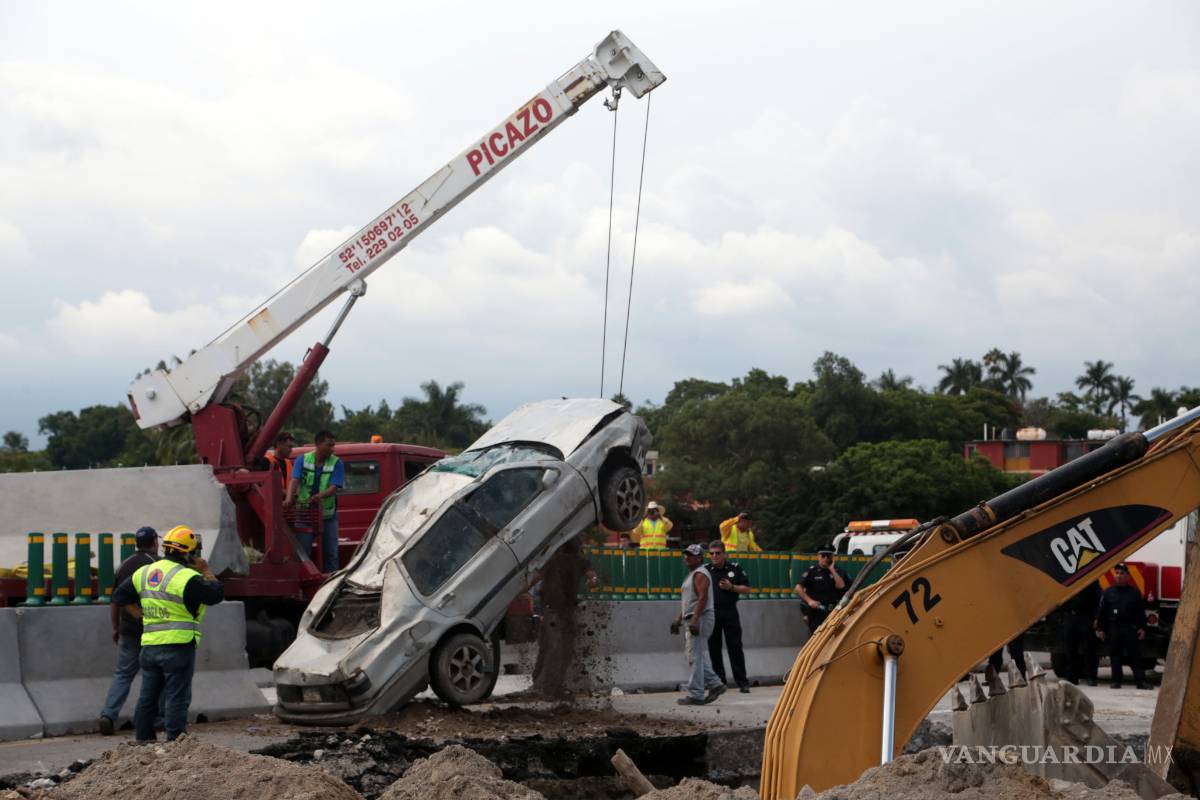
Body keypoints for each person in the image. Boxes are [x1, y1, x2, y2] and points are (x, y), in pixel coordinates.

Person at [111, 525, 224, 741]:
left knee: (147, 698)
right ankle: (175, 743)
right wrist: (207, 570)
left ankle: (144, 742)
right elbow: (216, 595)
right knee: (176, 697)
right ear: (188, 553)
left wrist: (140, 615)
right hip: (178, 646)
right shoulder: (186, 577)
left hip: (150, 646)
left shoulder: (145, 572)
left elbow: (119, 596)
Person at [98, 526, 163, 735]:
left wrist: (115, 627)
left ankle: (108, 714)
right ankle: (157, 718)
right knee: (155, 673)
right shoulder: (157, 564)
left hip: (128, 629)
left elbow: (115, 600)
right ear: (155, 542)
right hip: (152, 630)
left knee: (123, 674)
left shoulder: (123, 565)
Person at [530, 537, 599, 697]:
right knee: (562, 649)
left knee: (550, 647)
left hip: (553, 610)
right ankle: (551, 687)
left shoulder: (553, 561)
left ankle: (546, 686)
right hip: (564, 610)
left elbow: (534, 579)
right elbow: (593, 578)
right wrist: (593, 582)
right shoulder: (579, 562)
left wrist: (520, 592)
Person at [671, 544, 725, 705]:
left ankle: (696, 694)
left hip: (700, 618)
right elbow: (691, 602)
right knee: (695, 655)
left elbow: (703, 599)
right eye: (686, 554)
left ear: (700, 558)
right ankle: (715, 685)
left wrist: (694, 620)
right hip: (694, 617)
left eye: (691, 555)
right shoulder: (693, 574)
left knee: (694, 656)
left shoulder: (700, 574)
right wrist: (678, 619)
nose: (687, 557)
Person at [286, 430, 345, 571]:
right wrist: (289, 498)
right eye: (328, 446)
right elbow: (294, 480)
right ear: (318, 444)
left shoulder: (337, 463)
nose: (332, 449)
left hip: (327, 516)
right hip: (305, 514)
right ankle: (304, 588)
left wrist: (320, 496)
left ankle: (330, 586)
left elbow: (334, 487)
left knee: (331, 554)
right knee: (303, 554)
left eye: (333, 446)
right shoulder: (303, 460)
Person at [706, 540, 753, 693]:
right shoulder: (706, 570)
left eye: (717, 553)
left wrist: (731, 587)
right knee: (714, 648)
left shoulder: (734, 568)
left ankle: (742, 681)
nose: (714, 556)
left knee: (735, 647)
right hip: (712, 613)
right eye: (711, 553)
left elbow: (747, 589)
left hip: (730, 611)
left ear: (724, 554)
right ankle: (720, 682)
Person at [1096, 564, 1149, 689]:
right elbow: (1102, 612)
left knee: (1134, 655)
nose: (1119, 576)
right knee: (1115, 655)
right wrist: (1100, 629)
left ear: (1127, 576)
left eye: (1122, 573)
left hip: (1129, 627)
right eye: (1117, 573)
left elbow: (1140, 613)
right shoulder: (1108, 592)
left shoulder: (1134, 593)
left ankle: (1141, 682)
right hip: (1114, 627)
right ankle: (1116, 681)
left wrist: (1142, 628)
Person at [794, 545, 849, 634]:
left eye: (828, 556)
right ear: (818, 557)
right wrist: (810, 601)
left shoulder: (838, 571)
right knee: (816, 636)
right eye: (823, 556)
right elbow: (798, 587)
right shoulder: (812, 571)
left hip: (834, 611)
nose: (825, 558)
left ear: (832, 557)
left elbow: (841, 586)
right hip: (817, 611)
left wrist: (832, 569)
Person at [1062, 582, 1101, 686]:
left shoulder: (1091, 580)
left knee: (1089, 649)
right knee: (1070, 649)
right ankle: (1072, 677)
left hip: (1085, 617)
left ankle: (1091, 676)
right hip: (1070, 617)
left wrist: (1096, 617)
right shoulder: (1068, 578)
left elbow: (1098, 599)